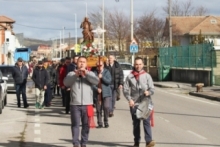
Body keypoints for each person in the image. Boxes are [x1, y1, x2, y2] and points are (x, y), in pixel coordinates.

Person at [63, 56, 99, 147]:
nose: (82, 63)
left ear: (86, 64)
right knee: (75, 124)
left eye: (83, 62)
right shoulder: (71, 73)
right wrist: (76, 75)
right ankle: (75, 143)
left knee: (86, 125)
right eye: (80, 62)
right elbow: (66, 83)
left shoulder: (90, 73)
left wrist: (86, 73)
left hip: (88, 104)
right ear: (77, 63)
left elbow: (96, 81)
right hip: (75, 104)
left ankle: (84, 143)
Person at [123, 57, 155, 147]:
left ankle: (148, 141)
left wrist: (148, 92)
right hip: (135, 104)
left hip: (146, 103)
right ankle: (136, 142)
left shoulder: (147, 75)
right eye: (136, 64)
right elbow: (125, 90)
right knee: (136, 124)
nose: (138, 66)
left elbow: (152, 89)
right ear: (134, 65)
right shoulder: (130, 76)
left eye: (140, 64)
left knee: (146, 122)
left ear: (143, 65)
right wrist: (130, 99)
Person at [93, 61, 112, 128]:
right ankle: (100, 123)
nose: (99, 67)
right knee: (98, 109)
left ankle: (106, 121)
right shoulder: (94, 73)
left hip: (106, 93)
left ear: (103, 65)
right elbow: (92, 84)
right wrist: (96, 89)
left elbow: (109, 81)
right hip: (98, 93)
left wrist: (102, 77)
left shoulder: (107, 72)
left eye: (100, 65)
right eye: (98, 66)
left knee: (106, 107)